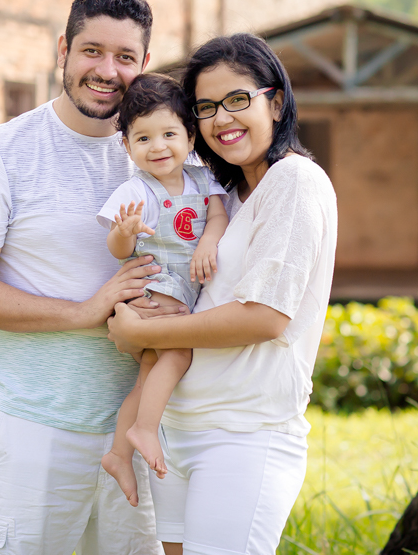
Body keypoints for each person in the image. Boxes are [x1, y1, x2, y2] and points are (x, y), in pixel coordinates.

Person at [0, 0, 178, 555]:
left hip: (144, 429)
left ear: (144, 65)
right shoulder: (2, 152)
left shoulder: (169, 152)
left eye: (124, 57)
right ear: (62, 49)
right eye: (91, 51)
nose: (106, 70)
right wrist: (85, 311)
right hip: (32, 428)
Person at [107, 33, 338, 555]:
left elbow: (264, 318)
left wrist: (146, 330)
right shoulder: (227, 196)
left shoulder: (294, 180)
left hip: (243, 434)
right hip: (177, 426)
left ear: (275, 102)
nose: (222, 119)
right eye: (207, 107)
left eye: (238, 99)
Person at [95, 73, 228, 506]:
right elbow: (118, 248)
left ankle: (119, 454)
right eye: (143, 138)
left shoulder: (202, 179)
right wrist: (125, 233)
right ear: (127, 146)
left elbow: (218, 217)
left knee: (150, 375)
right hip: (155, 291)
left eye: (169, 133)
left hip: (180, 293)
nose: (158, 147)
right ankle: (145, 430)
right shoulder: (135, 190)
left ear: (190, 136)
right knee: (177, 352)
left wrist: (208, 242)